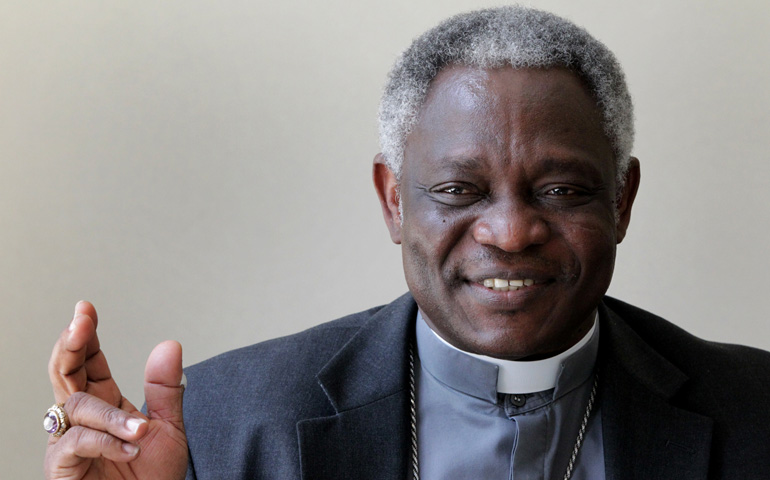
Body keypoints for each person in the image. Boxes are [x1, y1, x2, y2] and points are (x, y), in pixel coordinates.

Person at [43, 6, 770, 480]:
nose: (511, 232)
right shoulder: (223, 428)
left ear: (622, 200)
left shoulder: (756, 413)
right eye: (459, 190)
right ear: (394, 200)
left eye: (562, 191)